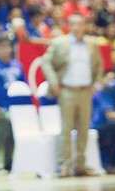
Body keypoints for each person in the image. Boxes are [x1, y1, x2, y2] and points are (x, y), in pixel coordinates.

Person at [41, 14, 103, 177]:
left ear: (85, 26)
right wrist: (53, 81)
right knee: (66, 129)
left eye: (80, 24)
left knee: (84, 129)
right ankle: (64, 166)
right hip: (67, 90)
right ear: (69, 26)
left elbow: (99, 65)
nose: (77, 27)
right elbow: (46, 62)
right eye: (74, 24)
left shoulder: (92, 44)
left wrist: (97, 84)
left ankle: (80, 165)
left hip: (85, 91)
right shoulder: (59, 42)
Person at [0, 37, 25, 173]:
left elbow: (23, 85)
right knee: (0, 135)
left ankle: (8, 163)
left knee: (12, 137)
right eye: (2, 47)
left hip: (16, 108)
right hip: (0, 107)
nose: (6, 50)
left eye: (8, 47)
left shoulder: (17, 65)